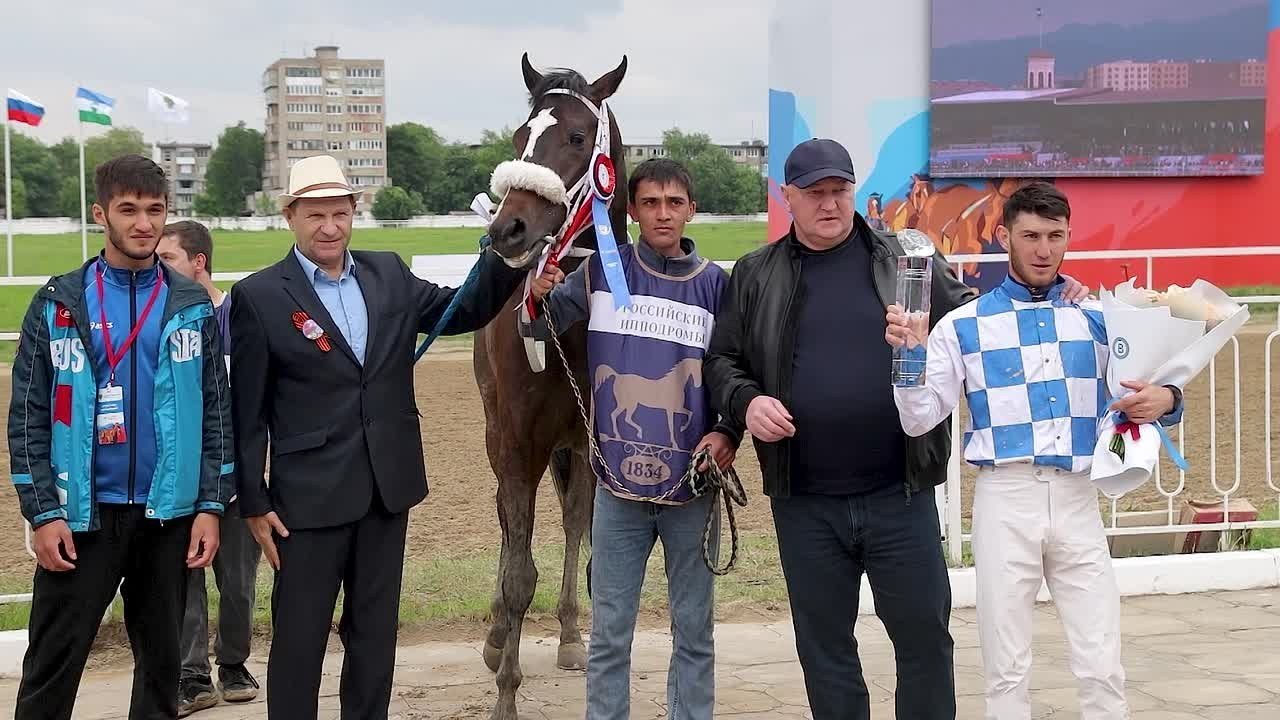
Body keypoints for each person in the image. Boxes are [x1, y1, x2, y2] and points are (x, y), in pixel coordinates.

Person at [702, 138, 1088, 720]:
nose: (829, 203)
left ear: (853, 190)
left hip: (900, 494)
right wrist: (747, 402)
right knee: (825, 649)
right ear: (787, 197)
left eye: (839, 190)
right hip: (804, 501)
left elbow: (981, 323)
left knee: (925, 640)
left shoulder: (908, 258)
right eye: (814, 193)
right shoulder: (757, 273)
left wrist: (1054, 295)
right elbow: (722, 359)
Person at [230, 155, 540, 718]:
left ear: (354, 212)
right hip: (307, 501)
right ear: (290, 217)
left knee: (374, 636)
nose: (330, 227)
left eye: (339, 213)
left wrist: (510, 259)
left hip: (386, 491)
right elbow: (247, 410)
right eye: (315, 215)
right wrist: (253, 498)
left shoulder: (389, 273)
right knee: (299, 640)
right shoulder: (258, 296)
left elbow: (461, 309)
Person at [886, 181, 1183, 719]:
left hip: (1078, 498)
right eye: (1030, 236)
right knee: (1006, 667)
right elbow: (918, 418)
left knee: (1102, 662)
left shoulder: (1098, 317)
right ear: (1005, 237)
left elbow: (1152, 387)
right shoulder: (963, 325)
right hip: (1005, 497)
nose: (1044, 249)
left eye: (1054, 236)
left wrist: (1169, 399)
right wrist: (909, 359)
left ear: (1068, 236)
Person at [7, 154, 233, 720]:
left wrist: (210, 507)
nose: (143, 223)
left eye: (155, 210)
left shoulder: (190, 304)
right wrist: (43, 514)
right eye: (128, 210)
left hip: (167, 518)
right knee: (51, 670)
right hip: (81, 519)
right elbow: (28, 417)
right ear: (100, 214)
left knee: (161, 675)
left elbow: (217, 413)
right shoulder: (58, 302)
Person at [530, 158, 741, 720]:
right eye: (650, 203)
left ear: (691, 210)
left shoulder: (717, 285)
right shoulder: (602, 271)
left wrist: (726, 431)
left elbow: (734, 371)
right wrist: (536, 291)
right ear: (632, 212)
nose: (662, 214)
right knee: (609, 636)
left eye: (673, 203)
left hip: (692, 489)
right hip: (616, 489)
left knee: (694, 633)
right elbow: (539, 323)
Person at [157, 221, 262, 715]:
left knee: (237, 582)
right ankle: (192, 674)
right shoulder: (160, 318)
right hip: (181, 478)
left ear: (199, 262)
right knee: (187, 580)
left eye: (168, 258)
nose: (159, 268)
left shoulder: (239, 317)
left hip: (236, 478)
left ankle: (234, 663)